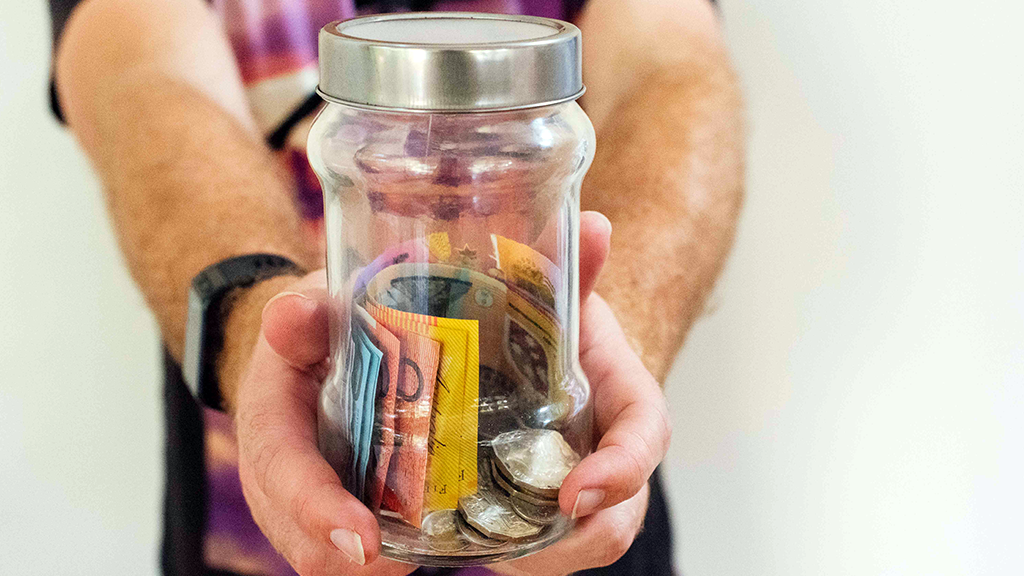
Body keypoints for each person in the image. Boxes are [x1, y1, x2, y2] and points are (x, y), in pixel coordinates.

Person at [48, 0, 744, 573]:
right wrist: (253, 315)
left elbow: (670, 60)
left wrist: (591, 341)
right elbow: (135, 64)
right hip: (253, 533)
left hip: (585, 534)